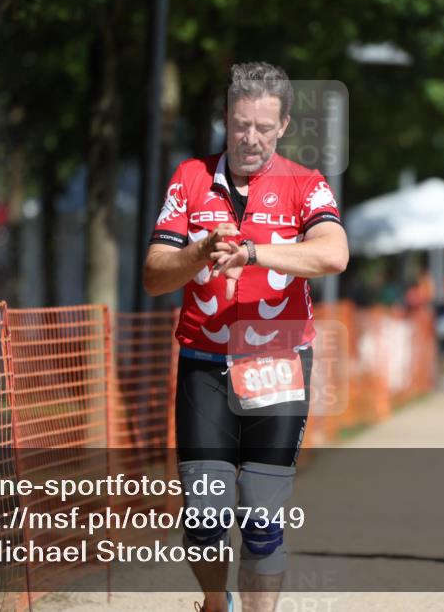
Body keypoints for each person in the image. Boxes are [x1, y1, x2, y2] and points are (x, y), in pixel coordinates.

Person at [143, 61, 348, 612]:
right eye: (239, 125)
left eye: (262, 127)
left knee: (261, 517)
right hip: (204, 361)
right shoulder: (190, 178)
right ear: (225, 119)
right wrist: (198, 252)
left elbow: (334, 253)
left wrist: (255, 252)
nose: (249, 138)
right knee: (204, 517)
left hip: (278, 362)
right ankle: (217, 603)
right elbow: (155, 274)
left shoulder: (306, 184)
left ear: (283, 126)